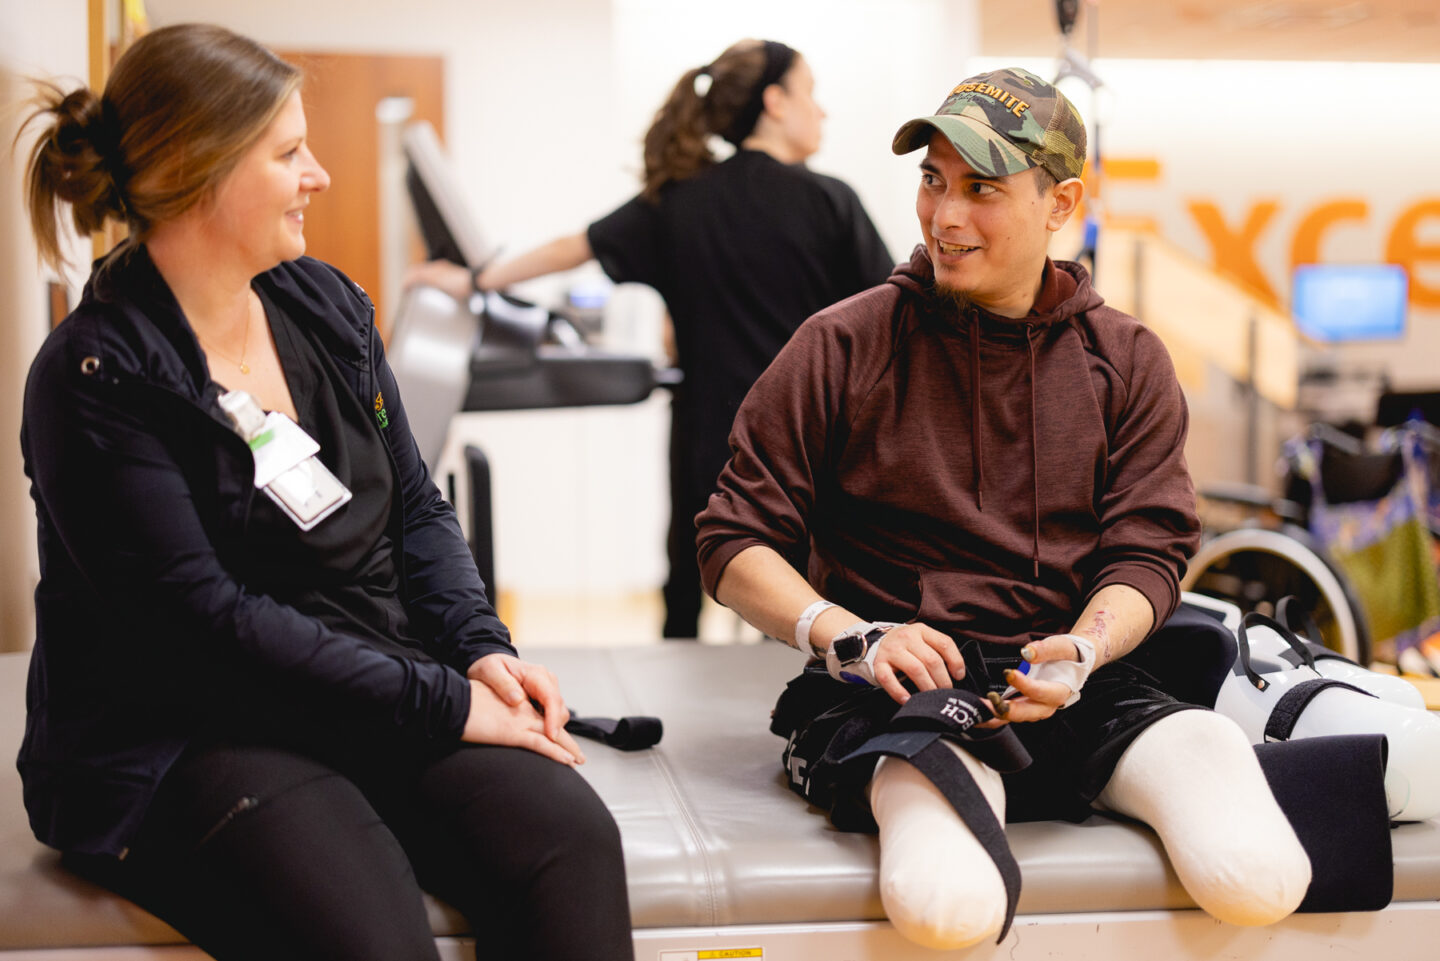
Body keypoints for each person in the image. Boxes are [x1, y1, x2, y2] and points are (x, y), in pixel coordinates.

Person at [18, 23, 631, 961]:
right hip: (192, 731)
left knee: (569, 839)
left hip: (370, 681)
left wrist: (475, 649)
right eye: (290, 153)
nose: (321, 176)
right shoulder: (98, 377)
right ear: (198, 170)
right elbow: (203, 621)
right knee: (371, 936)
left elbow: (416, 504)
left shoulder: (324, 305)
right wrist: (440, 703)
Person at [695, 67, 1315, 949]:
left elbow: (1149, 552)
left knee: (1258, 875)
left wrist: (1087, 646)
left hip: (1071, 683)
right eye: (932, 180)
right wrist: (849, 634)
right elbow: (732, 538)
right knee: (948, 903)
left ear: (1060, 204)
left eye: (981, 189)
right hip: (894, 691)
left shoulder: (1128, 360)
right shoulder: (841, 344)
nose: (945, 217)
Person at [408, 39, 894, 639]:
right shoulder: (830, 200)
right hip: (811, 444)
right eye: (812, 94)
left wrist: (475, 279)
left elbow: (576, 246)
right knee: (810, 595)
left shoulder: (680, 200)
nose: (823, 112)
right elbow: (890, 315)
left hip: (710, 437)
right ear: (775, 101)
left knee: (689, 583)